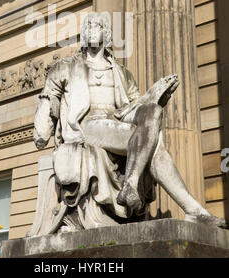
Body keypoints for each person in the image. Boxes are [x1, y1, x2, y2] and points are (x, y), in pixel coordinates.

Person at [32, 12, 226, 234]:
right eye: (89, 26)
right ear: (83, 34)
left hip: (117, 120)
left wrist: (153, 95)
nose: (93, 29)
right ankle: (192, 209)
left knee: (153, 111)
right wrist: (42, 128)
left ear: (107, 34)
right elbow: (48, 104)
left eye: (99, 26)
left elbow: (134, 107)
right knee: (153, 143)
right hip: (88, 125)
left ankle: (133, 185)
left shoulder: (122, 73)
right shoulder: (66, 67)